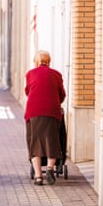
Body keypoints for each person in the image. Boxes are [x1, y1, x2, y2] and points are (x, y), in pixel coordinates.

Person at [24, 50, 66, 185]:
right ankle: (49, 168)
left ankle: (38, 176)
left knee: (35, 142)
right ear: (49, 62)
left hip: (34, 112)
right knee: (52, 140)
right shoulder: (56, 74)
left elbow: (28, 91)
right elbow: (62, 95)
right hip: (52, 112)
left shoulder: (30, 74)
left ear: (36, 62)